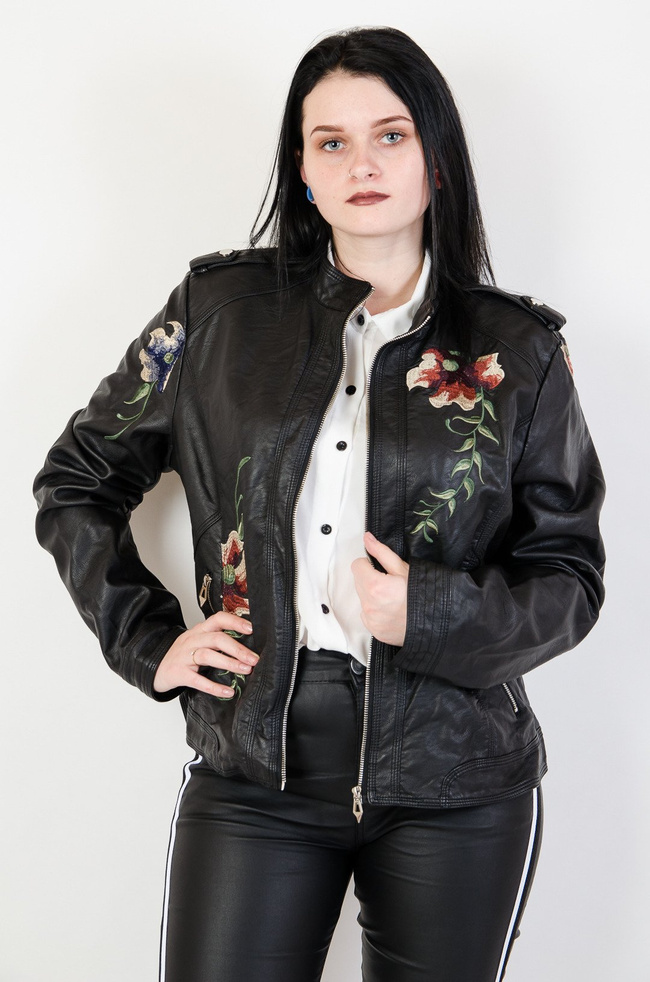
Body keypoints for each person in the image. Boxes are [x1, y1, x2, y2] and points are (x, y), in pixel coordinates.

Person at [33, 25, 605, 982]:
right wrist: (147, 640)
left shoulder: (521, 353)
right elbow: (78, 481)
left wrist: (430, 611)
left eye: (391, 136)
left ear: (435, 156)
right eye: (330, 141)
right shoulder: (216, 315)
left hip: (458, 778)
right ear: (301, 170)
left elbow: (569, 576)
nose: (361, 164)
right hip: (255, 772)